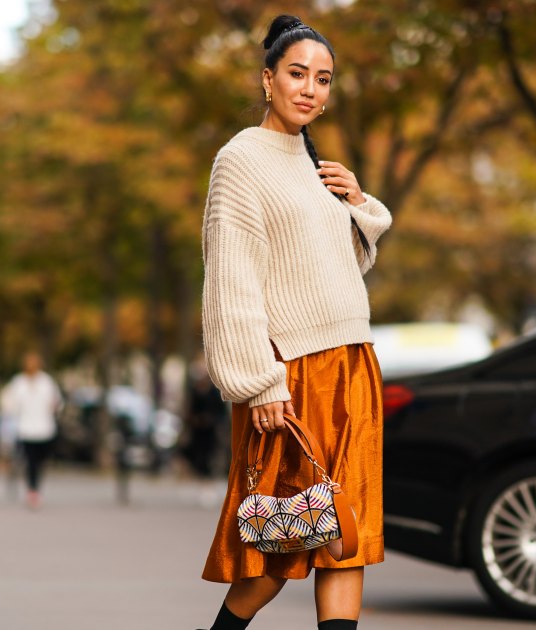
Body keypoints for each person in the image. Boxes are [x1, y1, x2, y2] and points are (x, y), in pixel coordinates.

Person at [198, 15, 392, 630]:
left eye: (324, 79)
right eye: (298, 74)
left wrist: (358, 205)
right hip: (292, 376)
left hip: (353, 366)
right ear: (268, 78)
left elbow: (339, 270)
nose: (310, 89)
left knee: (344, 540)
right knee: (279, 548)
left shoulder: (319, 169)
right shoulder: (241, 161)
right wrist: (259, 382)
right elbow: (231, 281)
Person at [1, 351, 62, 510]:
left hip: (45, 428)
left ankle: (35, 487)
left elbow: (56, 401)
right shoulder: (19, 383)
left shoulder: (46, 382)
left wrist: (54, 407)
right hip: (26, 428)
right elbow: (10, 403)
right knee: (31, 461)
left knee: (40, 460)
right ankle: (32, 490)